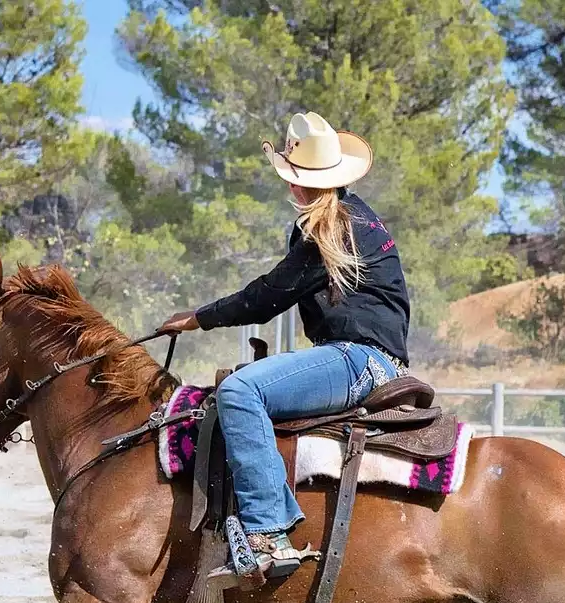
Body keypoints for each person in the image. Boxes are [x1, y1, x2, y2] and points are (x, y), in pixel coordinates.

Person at [159, 111, 411, 575]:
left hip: (360, 360)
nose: (292, 186)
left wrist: (197, 319)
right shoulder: (353, 217)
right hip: (371, 357)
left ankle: (267, 533)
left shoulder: (331, 227)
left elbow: (266, 296)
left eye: (296, 178)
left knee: (240, 391)